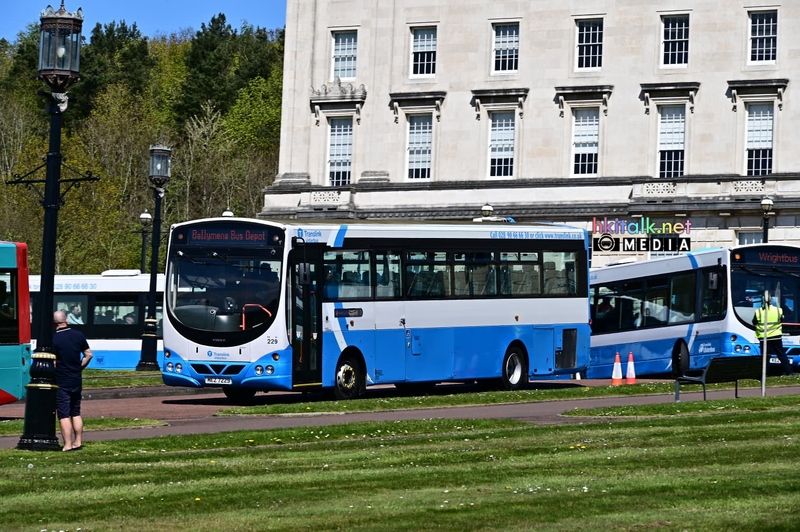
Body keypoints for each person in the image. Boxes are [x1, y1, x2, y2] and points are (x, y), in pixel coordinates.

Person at [52, 310, 93, 451]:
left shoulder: (54, 339)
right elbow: (89, 355)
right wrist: (79, 367)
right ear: (67, 320)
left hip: (61, 380)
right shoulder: (78, 335)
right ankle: (78, 442)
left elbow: (53, 362)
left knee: (63, 414)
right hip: (76, 378)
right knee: (75, 412)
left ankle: (68, 444)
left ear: (54, 323)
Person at [753, 298, 794, 376]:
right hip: (776, 336)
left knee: (765, 356)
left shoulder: (758, 311)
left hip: (764, 337)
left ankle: (764, 373)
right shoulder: (778, 310)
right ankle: (789, 371)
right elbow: (782, 319)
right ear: (771, 302)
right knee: (781, 355)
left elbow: (754, 322)